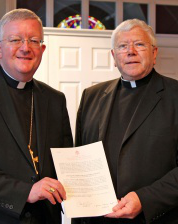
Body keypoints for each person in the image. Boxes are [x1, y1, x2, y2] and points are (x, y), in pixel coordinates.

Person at [72, 19, 178, 224]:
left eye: (139, 44)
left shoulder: (175, 96)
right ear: (114, 56)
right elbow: (81, 162)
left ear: (154, 53)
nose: (130, 51)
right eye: (122, 46)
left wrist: (145, 199)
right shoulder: (91, 97)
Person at [0, 9, 73, 224]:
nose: (25, 48)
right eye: (15, 40)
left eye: (34, 40)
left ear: (42, 49)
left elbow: (65, 161)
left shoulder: (54, 99)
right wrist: (24, 192)